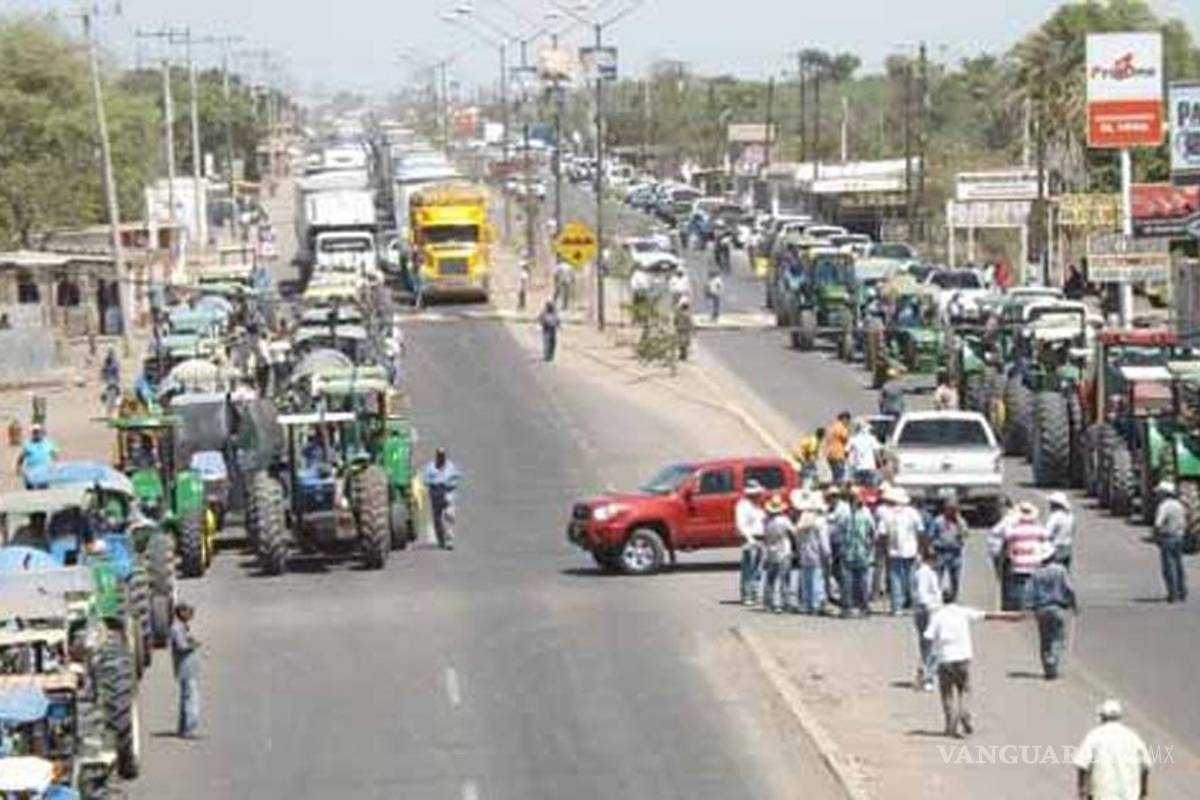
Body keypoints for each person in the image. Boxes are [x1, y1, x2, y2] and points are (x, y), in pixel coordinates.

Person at [923, 591, 1023, 737]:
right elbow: (989, 615)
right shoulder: (963, 612)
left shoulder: (937, 615)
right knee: (965, 689)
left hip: (944, 659)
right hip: (962, 658)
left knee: (947, 694)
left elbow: (928, 637)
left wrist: (925, 664)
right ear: (955, 599)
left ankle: (950, 724)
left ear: (942, 600)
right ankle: (964, 712)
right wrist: (1013, 616)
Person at [1073, 699, 1151, 800]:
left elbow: (1082, 765)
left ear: (1102, 717)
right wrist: (1143, 791)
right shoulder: (1132, 737)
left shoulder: (1095, 736)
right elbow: (1145, 766)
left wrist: (1082, 791)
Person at [1026, 544, 1077, 680]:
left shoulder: (1036, 573)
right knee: (1058, 637)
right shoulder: (1060, 570)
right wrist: (1073, 604)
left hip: (1041, 609)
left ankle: (1048, 667)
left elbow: (1029, 592)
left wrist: (1029, 607)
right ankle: (1053, 661)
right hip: (1058, 608)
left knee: (1045, 639)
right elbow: (1069, 588)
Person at [788, 490, 830, 614]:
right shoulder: (820, 522)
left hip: (804, 554)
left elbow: (797, 540)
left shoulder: (801, 522)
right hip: (816, 554)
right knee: (817, 578)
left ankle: (807, 604)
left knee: (806, 579)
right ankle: (816, 605)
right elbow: (824, 543)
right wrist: (827, 555)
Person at [1002, 501, 1050, 610]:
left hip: (1018, 561)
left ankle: (1021, 607)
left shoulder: (1015, 530)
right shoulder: (1037, 529)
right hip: (1034, 561)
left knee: (1019, 586)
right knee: (1034, 585)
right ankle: (1033, 606)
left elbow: (1006, 535)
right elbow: (1046, 535)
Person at [884, 488, 923, 615]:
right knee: (911, 579)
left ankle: (897, 607)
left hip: (894, 551)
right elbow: (920, 530)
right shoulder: (912, 513)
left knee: (896, 579)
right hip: (910, 551)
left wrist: (885, 548)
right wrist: (921, 549)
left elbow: (882, 533)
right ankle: (911, 604)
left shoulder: (888, 514)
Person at [840, 488, 876, 617]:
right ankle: (863, 607)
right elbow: (872, 534)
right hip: (860, 552)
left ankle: (848, 608)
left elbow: (841, 533)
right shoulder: (866, 516)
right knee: (861, 582)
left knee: (849, 581)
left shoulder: (846, 516)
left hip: (851, 552)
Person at [1152, 480, 1188, 603]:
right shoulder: (1179, 505)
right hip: (1179, 536)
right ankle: (1182, 591)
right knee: (1179, 565)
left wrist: (1156, 535)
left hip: (1168, 537)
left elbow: (1158, 523)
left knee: (1169, 567)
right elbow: (1184, 523)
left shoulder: (1164, 506)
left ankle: (1172, 594)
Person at [911, 547, 942, 691]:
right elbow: (923, 593)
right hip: (928, 612)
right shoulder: (925, 573)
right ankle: (927, 676)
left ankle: (924, 674)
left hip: (923, 611)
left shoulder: (920, 572)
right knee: (932, 646)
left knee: (926, 646)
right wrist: (931, 609)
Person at [170, 602, 201, 738]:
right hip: (185, 669)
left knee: (186, 698)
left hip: (187, 668)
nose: (190, 615)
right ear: (181, 613)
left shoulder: (183, 627)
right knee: (191, 699)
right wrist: (192, 645)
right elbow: (181, 646)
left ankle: (183, 728)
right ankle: (189, 729)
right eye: (188, 612)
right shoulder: (177, 628)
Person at [928, 498, 969, 602]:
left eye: (954, 509)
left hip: (955, 553)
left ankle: (954, 597)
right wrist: (930, 549)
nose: (952, 511)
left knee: (955, 578)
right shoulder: (938, 521)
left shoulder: (960, 521)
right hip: (941, 552)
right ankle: (936, 597)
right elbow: (930, 536)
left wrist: (959, 523)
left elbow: (965, 534)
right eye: (950, 509)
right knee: (938, 577)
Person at [422, 449, 463, 550]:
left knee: (449, 516)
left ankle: (449, 541)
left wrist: (451, 482)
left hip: (448, 493)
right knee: (437, 519)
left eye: (442, 456)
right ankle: (441, 539)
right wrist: (435, 482)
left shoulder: (450, 466)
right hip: (436, 494)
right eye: (439, 456)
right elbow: (425, 480)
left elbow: (458, 476)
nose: (441, 458)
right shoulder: (430, 467)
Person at [760, 494, 794, 613]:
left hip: (771, 551)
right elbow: (792, 532)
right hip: (784, 550)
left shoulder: (766, 521)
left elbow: (764, 536)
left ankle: (768, 602)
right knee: (784, 579)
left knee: (770, 579)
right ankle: (784, 602)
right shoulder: (784, 521)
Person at [736, 481, 767, 605]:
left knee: (758, 569)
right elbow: (741, 524)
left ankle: (754, 593)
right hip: (750, 539)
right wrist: (749, 539)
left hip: (760, 538)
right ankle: (747, 595)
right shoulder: (743, 506)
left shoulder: (757, 506)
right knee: (749, 568)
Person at [16, 423, 59, 489]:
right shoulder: (27, 444)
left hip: (44, 471)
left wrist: (54, 467)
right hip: (31, 471)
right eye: (35, 432)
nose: (37, 434)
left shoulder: (48, 443)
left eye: (38, 432)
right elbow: (21, 457)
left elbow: (54, 455)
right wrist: (18, 468)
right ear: (32, 433)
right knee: (31, 490)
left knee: (43, 490)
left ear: (43, 433)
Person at [1045, 491, 1076, 570]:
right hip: (1067, 547)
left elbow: (1047, 533)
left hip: (1055, 548)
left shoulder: (1055, 516)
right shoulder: (1070, 516)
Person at [846, 418, 881, 487]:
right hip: (869, 467)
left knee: (859, 488)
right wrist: (879, 464)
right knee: (869, 487)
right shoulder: (872, 439)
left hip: (857, 467)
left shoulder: (853, 439)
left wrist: (850, 464)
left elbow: (847, 452)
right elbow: (876, 452)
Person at [826, 411, 852, 484]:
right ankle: (838, 492)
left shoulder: (831, 427)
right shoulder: (840, 427)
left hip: (830, 455)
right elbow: (846, 438)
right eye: (848, 421)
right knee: (839, 477)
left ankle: (834, 489)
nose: (848, 423)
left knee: (835, 476)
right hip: (838, 454)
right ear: (844, 419)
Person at [673, 297, 693, 362]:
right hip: (683, 329)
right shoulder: (686, 314)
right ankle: (683, 355)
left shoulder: (679, 313)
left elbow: (675, 321)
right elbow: (690, 322)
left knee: (682, 343)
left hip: (681, 329)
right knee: (683, 343)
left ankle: (683, 355)